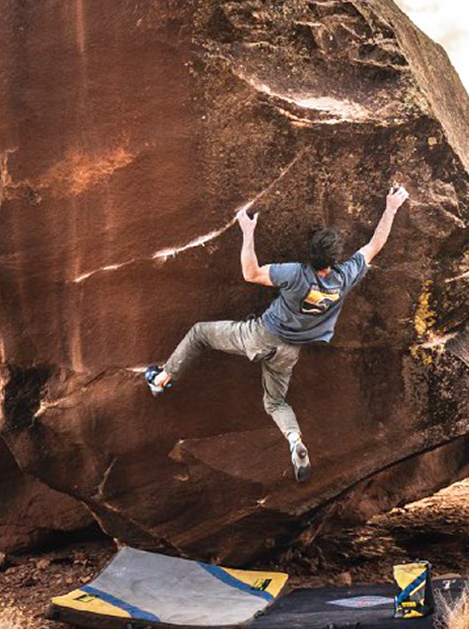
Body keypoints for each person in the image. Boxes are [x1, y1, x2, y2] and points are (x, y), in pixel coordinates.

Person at [144, 184, 410, 482]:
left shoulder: (296, 273)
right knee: (275, 403)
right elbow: (375, 245)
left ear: (312, 254)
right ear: (334, 260)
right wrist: (391, 208)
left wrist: (247, 232)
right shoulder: (344, 277)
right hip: (289, 351)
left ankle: (162, 378)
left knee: (199, 334)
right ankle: (295, 440)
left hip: (260, 336)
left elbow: (251, 273)